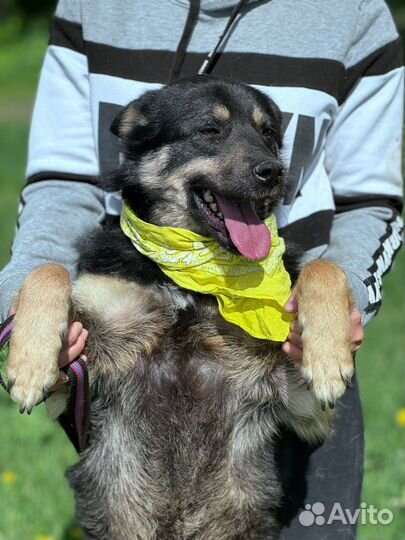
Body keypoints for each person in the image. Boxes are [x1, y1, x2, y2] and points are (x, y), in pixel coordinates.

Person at [0, 0, 403, 538]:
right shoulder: (91, 6)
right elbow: (62, 179)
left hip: (289, 320)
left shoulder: (352, 11)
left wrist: (337, 294)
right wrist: (29, 305)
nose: (266, 162)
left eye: (267, 139)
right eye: (211, 135)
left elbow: (370, 198)